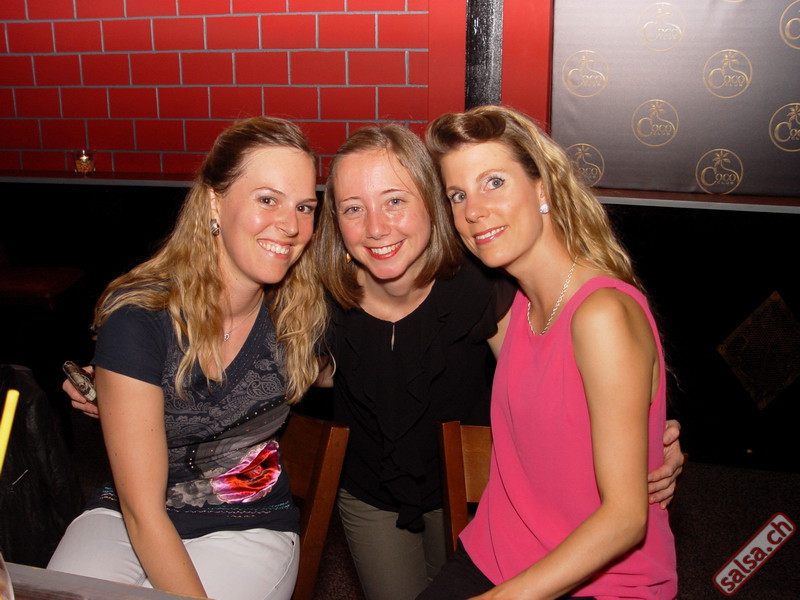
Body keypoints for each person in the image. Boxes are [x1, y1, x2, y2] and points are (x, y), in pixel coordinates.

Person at [66, 122, 684, 600]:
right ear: (336, 222)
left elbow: (561, 376)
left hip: (474, 499)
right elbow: (252, 366)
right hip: (373, 496)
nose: (377, 226)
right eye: (351, 208)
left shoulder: (487, 290)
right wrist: (133, 396)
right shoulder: (315, 299)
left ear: (432, 207)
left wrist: (651, 434)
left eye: (396, 200)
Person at [48, 116, 327, 600]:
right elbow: (142, 513)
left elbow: (352, 364)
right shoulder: (141, 318)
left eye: (305, 207)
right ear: (215, 202)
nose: (291, 225)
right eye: (267, 199)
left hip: (248, 520)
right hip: (126, 515)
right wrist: (122, 385)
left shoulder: (300, 310)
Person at [418, 104, 678, 600]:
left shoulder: (601, 314)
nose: (472, 211)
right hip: (497, 553)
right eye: (458, 195)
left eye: (494, 182)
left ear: (542, 189)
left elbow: (626, 518)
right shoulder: (514, 308)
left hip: (603, 581)